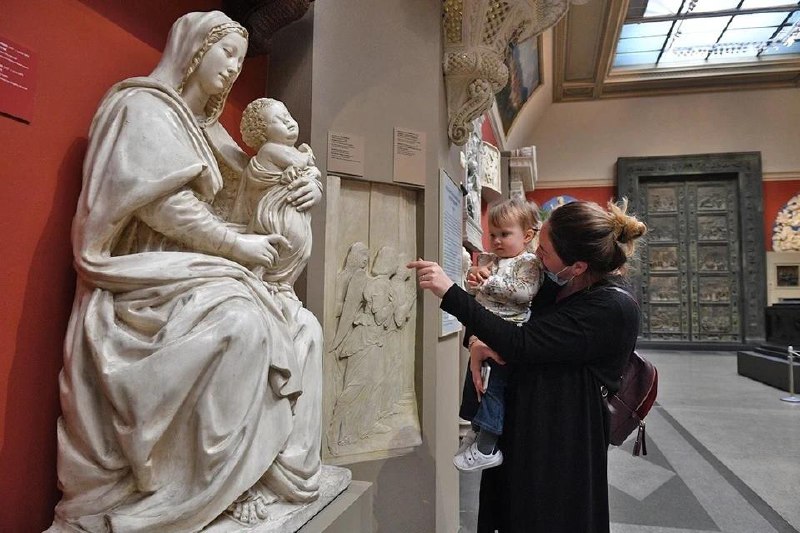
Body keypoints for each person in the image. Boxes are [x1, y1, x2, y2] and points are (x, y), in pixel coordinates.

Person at [48, 12, 323, 532]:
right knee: (242, 324)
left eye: (241, 59)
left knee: (303, 326)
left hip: (197, 268)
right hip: (140, 274)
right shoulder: (142, 107)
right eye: (226, 53)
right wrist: (236, 245)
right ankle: (198, 487)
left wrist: (305, 187)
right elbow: (164, 206)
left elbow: (249, 196)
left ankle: (265, 475)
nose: (234, 68)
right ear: (194, 49)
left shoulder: (209, 132)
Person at [410, 199, 646, 533]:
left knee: (545, 515)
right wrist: (476, 342)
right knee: (512, 510)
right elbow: (508, 323)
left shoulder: (611, 307)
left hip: (561, 437)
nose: (536, 255)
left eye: (544, 251)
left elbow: (522, 343)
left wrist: (450, 293)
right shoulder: (559, 284)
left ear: (578, 266)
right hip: (527, 422)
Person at [455, 198, 542, 472]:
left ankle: (487, 446)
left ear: (527, 236)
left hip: (507, 332)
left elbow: (524, 292)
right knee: (476, 384)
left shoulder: (529, 262)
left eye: (505, 234)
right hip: (482, 331)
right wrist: (473, 278)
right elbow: (474, 293)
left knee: (493, 388)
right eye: (492, 234)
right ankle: (476, 429)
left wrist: (487, 281)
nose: (497, 240)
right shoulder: (490, 260)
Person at [233, 97, 322, 287]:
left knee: (302, 250)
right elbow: (301, 162)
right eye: (279, 120)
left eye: (288, 116)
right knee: (280, 247)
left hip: (291, 209)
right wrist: (307, 155)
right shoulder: (269, 149)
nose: (288, 122)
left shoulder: (287, 152)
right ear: (263, 133)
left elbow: (308, 172)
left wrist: (313, 179)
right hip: (275, 216)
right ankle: (265, 283)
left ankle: (282, 285)